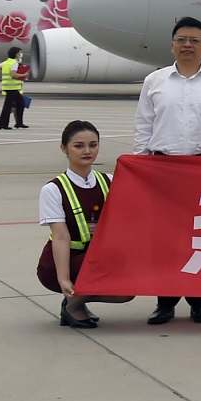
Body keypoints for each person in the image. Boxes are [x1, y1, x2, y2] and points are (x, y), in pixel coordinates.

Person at [134, 16, 201, 325]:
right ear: (172, 45)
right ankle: (164, 302)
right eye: (181, 40)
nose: (187, 45)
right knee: (164, 240)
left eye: (194, 40)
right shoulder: (155, 81)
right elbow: (143, 125)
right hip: (164, 168)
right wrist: (140, 166)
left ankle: (199, 301)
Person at [40, 121, 133, 328]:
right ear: (64, 148)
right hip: (63, 262)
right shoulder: (53, 189)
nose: (87, 151)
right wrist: (63, 279)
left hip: (97, 258)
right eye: (78, 146)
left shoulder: (109, 181)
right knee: (100, 265)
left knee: (127, 292)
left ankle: (76, 301)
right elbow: (61, 237)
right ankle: (73, 307)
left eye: (93, 145)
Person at [0, 45, 28, 129]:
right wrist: (24, 75)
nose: (20, 54)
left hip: (9, 86)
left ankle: (19, 123)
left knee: (20, 103)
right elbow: (14, 74)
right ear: (16, 54)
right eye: (20, 53)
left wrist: (5, 71)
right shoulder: (14, 63)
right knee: (8, 106)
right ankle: (3, 124)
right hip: (12, 87)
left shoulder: (7, 62)